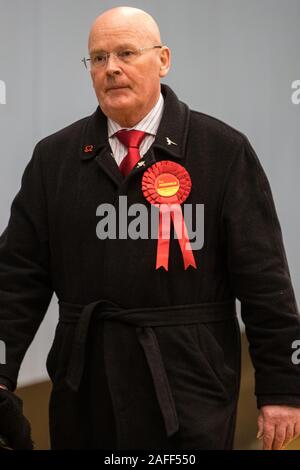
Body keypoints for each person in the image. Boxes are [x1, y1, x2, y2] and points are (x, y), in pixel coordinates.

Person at [1, 6, 300, 451]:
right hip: (85, 386)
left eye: (125, 53)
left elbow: (265, 281)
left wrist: (282, 389)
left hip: (188, 386)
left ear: (163, 59)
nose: (111, 69)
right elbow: (16, 281)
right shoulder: (54, 159)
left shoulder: (223, 151)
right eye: (98, 58)